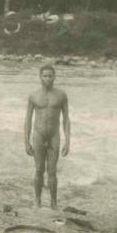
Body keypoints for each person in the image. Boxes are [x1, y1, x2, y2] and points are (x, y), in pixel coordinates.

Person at [24, 65, 70, 210]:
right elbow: (28, 119)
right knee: (38, 170)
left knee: (52, 171)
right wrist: (26, 141)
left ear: (54, 77)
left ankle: (53, 203)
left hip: (54, 135)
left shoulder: (61, 95)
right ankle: (37, 201)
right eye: (45, 76)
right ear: (40, 77)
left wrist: (68, 141)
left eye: (50, 76)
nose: (48, 79)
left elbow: (66, 119)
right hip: (38, 134)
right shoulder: (33, 96)